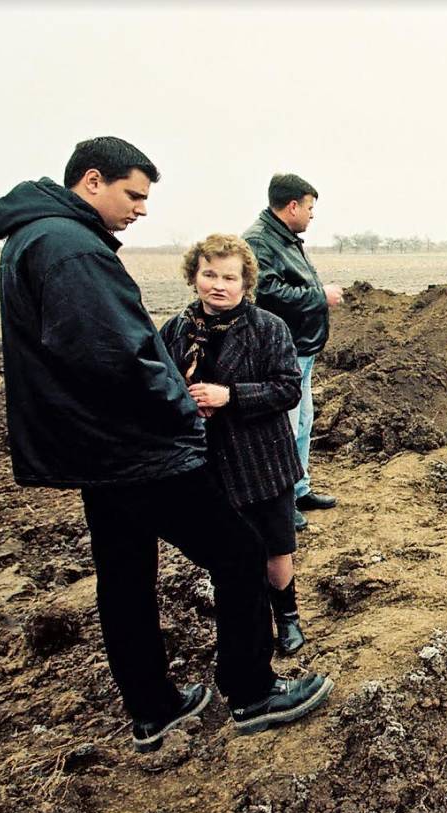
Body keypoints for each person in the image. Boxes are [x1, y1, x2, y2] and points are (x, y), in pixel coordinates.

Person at [0, 136, 333, 752]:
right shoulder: (71, 250)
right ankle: (252, 692)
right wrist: (181, 408)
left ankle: (153, 709)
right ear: (92, 181)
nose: (141, 209)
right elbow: (118, 356)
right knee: (237, 550)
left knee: (124, 576)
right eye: (134, 195)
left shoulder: (31, 240)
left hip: (93, 452)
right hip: (132, 448)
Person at [159, 234, 310, 656]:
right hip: (207, 464)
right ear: (194, 277)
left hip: (262, 461)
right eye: (209, 274)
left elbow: (287, 389)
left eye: (230, 276)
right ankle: (249, 624)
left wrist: (231, 396)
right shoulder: (175, 330)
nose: (218, 285)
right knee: (231, 554)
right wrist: (184, 403)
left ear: (246, 283)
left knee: (276, 547)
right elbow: (160, 385)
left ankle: (287, 616)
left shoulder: (268, 328)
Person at [243, 175, 344, 531]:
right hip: (282, 350)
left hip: (301, 348)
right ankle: (281, 502)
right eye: (310, 207)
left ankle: (299, 489)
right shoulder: (259, 240)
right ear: (292, 207)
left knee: (302, 422)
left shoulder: (283, 238)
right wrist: (320, 296)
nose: (312, 215)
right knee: (283, 427)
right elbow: (267, 292)